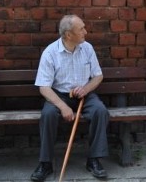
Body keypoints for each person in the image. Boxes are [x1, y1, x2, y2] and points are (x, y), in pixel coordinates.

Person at [30, 14, 109, 181]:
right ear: (68, 35)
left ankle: (94, 160)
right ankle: (45, 163)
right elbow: (44, 86)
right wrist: (63, 106)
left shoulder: (87, 48)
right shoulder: (50, 52)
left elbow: (98, 76)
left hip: (84, 95)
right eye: (81, 29)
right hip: (59, 95)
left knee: (100, 111)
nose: (85, 32)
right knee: (48, 114)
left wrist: (86, 89)